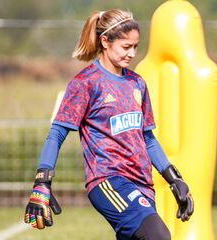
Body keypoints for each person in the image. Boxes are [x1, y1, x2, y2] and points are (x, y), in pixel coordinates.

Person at [24, 9, 194, 240]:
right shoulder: (85, 83)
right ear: (105, 41)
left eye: (135, 46)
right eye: (126, 47)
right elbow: (56, 134)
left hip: (143, 184)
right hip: (108, 180)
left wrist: (174, 178)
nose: (132, 53)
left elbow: (148, 139)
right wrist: (42, 182)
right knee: (159, 236)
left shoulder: (137, 84)